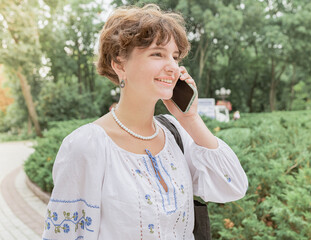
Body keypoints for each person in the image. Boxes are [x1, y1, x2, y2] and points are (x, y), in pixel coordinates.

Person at [42, 4, 248, 240]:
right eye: (157, 53)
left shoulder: (175, 134)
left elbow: (233, 186)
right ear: (119, 64)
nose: (172, 66)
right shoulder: (87, 145)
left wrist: (190, 118)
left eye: (175, 56)